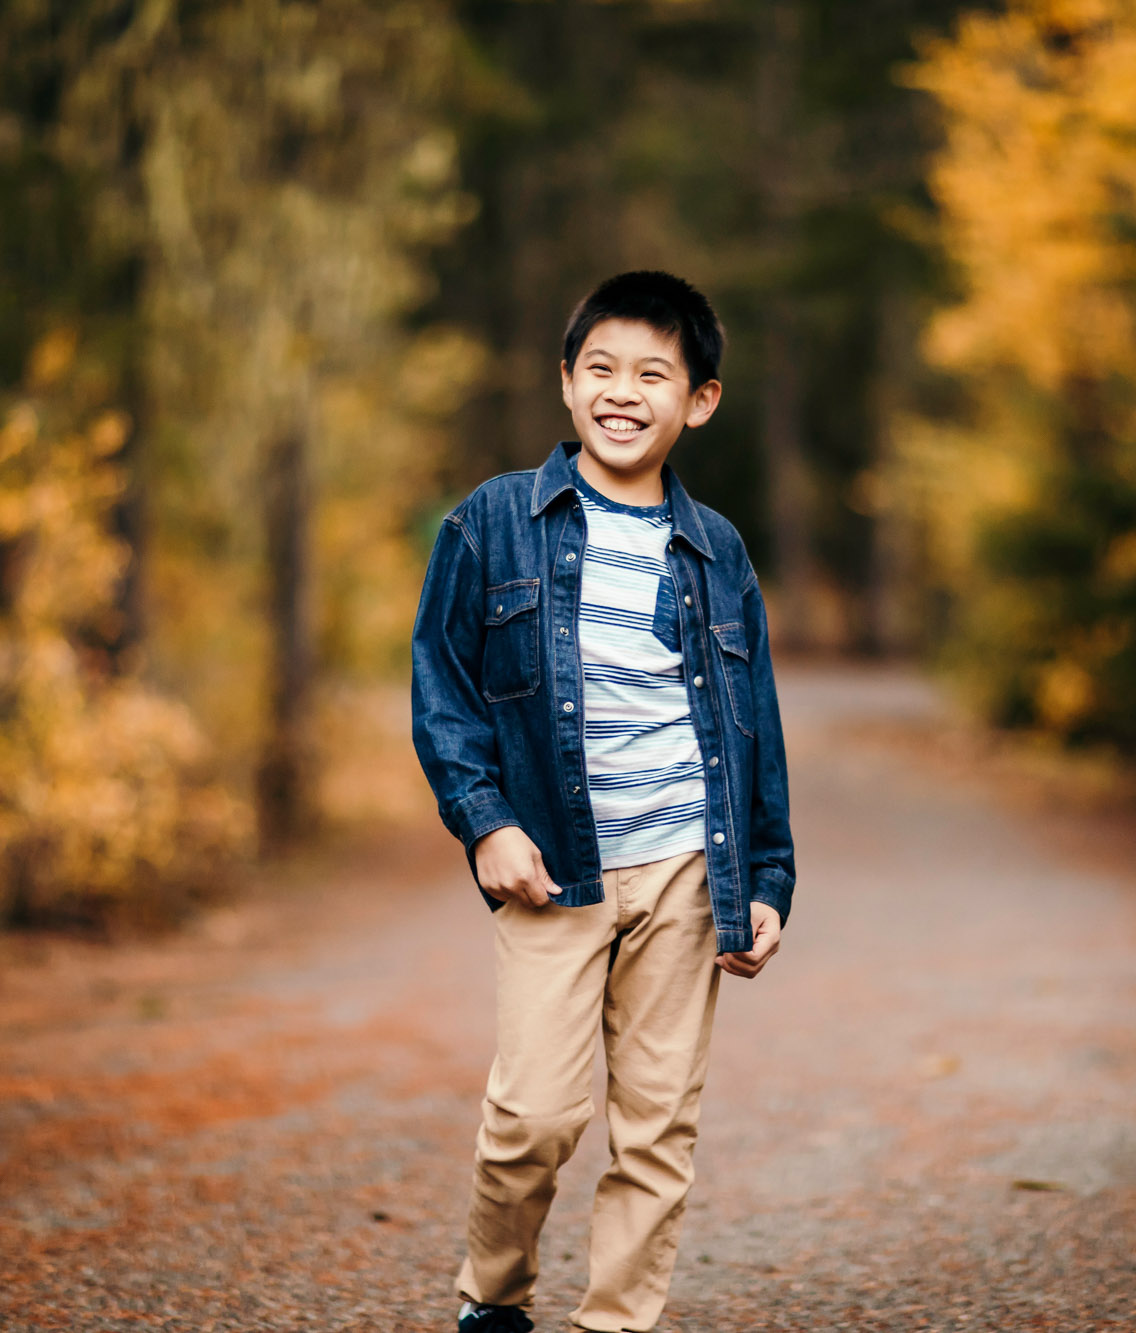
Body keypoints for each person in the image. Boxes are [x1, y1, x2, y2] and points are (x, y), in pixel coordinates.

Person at [410, 270, 797, 1333]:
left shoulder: (717, 551)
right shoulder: (493, 521)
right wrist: (484, 819)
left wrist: (764, 879)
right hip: (553, 866)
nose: (621, 393)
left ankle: (616, 1321)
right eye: (600, 370)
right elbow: (440, 686)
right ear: (566, 384)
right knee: (532, 1116)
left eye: (652, 375)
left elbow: (751, 721)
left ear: (698, 400)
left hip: (684, 864)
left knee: (656, 1121)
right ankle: (494, 1296)